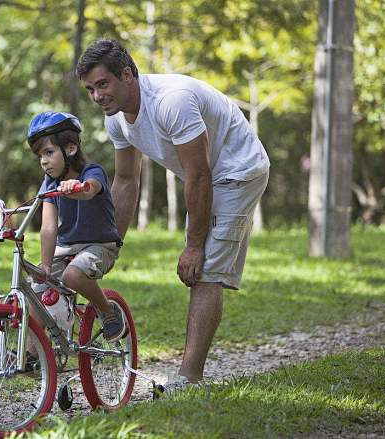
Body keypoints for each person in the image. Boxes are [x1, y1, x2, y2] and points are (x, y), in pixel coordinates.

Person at [76, 39, 270, 388]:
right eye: (90, 89)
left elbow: (199, 174)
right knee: (203, 266)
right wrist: (110, 244)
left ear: (127, 74)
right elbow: (125, 181)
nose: (97, 97)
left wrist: (194, 245)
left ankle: (188, 378)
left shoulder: (171, 101)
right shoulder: (117, 120)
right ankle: (189, 373)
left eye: (102, 84)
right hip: (207, 174)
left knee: (204, 267)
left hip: (238, 168)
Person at [27, 110, 126, 342]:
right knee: (36, 288)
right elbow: (49, 227)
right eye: (40, 156)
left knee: (73, 276)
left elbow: (90, 190)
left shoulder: (92, 172)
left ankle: (108, 311)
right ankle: (32, 354)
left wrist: (78, 187)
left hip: (100, 245)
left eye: (49, 152)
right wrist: (47, 267)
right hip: (67, 247)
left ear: (70, 149)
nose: (43, 161)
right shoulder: (50, 183)